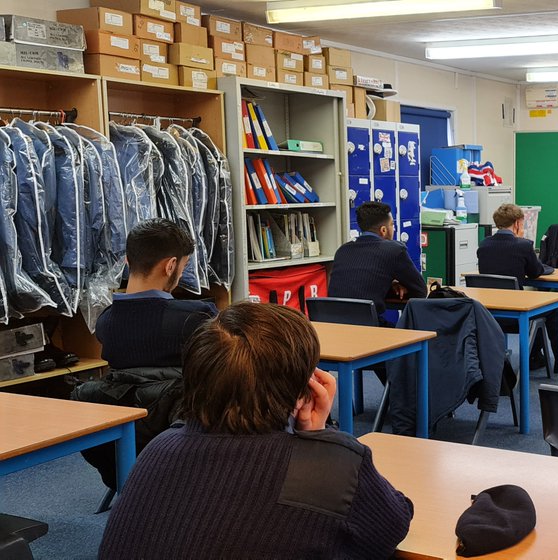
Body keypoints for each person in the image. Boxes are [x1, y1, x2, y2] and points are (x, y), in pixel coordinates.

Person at [98, 302, 414, 558]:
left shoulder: (160, 446)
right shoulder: (332, 465)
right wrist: (319, 437)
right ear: (305, 388)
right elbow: (391, 528)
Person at [94, 219, 217, 369]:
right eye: (183, 268)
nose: (179, 277)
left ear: (127, 261)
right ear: (170, 266)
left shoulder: (104, 323)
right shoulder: (198, 317)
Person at [329, 201, 426, 324]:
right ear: (383, 230)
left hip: (334, 327)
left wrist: (389, 283)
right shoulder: (394, 250)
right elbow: (420, 290)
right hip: (369, 330)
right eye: (392, 224)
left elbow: (360, 283)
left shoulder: (343, 250)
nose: (394, 228)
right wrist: (396, 286)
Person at [477, 203, 552, 288]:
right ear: (517, 223)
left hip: (487, 298)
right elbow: (535, 273)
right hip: (514, 298)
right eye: (522, 224)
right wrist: (520, 240)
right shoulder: (524, 245)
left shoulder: (484, 244)